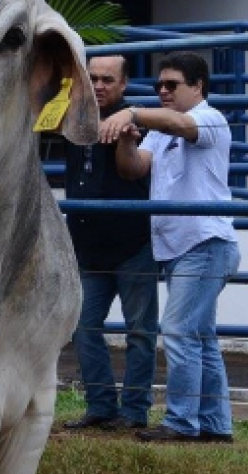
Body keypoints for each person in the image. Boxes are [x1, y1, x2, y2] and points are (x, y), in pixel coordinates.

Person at [100, 51, 239, 444]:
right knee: (200, 337)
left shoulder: (209, 118)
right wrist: (127, 142)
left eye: (172, 84)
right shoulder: (160, 132)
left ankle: (181, 423)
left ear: (197, 87)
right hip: (181, 248)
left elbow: (179, 122)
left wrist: (132, 114)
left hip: (205, 243)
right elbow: (134, 169)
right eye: (159, 84)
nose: (163, 90)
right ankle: (215, 425)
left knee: (178, 331)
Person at [63, 55, 159, 432]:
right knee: (83, 327)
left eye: (107, 79)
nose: (99, 85)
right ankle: (100, 406)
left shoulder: (139, 121)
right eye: (93, 78)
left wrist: (128, 129)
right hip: (87, 245)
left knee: (140, 331)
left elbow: (133, 168)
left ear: (123, 85)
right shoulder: (71, 114)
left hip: (132, 241)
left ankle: (134, 412)